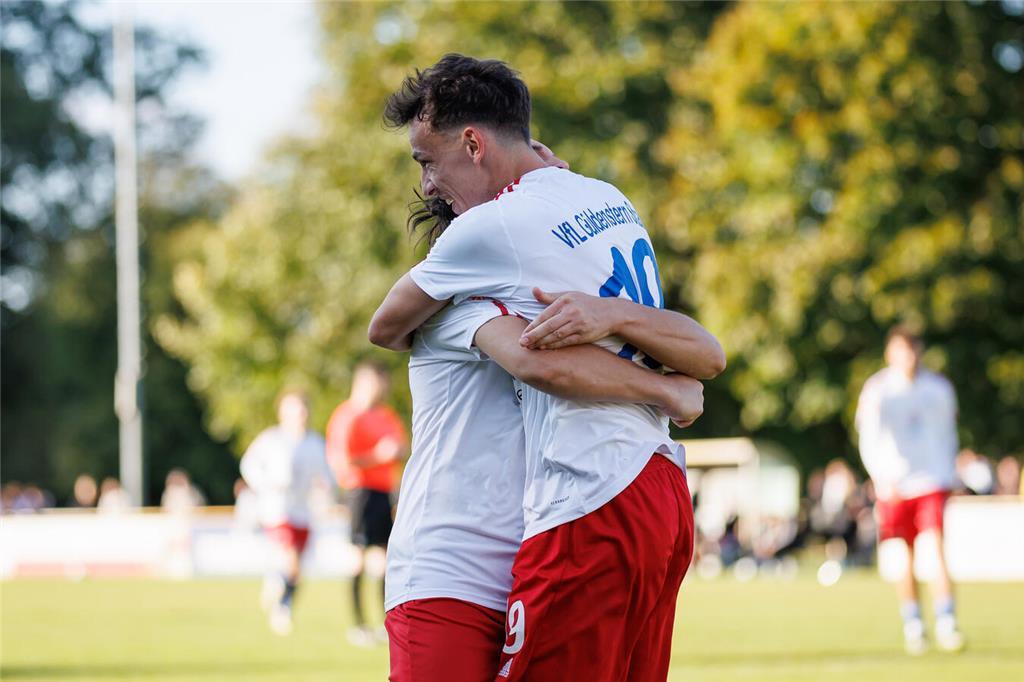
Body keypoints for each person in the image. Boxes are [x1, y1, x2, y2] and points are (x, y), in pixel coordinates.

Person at [370, 54, 725, 681]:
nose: (426, 183)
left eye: (428, 161)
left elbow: (388, 324)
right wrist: (668, 391)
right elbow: (537, 364)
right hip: (455, 561)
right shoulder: (599, 200)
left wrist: (614, 323)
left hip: (567, 514)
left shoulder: (500, 228)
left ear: (474, 144)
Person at [855, 326, 964, 654]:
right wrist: (880, 477)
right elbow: (868, 437)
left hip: (931, 481)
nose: (909, 357)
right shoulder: (878, 390)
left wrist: (949, 473)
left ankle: (947, 622)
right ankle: (914, 623)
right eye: (902, 350)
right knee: (905, 555)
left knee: (936, 547)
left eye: (914, 349)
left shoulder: (939, 389)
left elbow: (948, 434)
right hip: (895, 485)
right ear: (891, 354)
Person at [325, 361, 408, 646]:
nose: (383, 387)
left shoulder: (386, 415)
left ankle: (386, 624)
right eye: (379, 381)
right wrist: (378, 455)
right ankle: (358, 625)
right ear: (363, 382)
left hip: (384, 492)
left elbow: (401, 446)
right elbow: (341, 461)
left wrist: (395, 452)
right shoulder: (347, 417)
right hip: (359, 493)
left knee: (384, 561)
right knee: (358, 558)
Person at [240, 390, 332, 635]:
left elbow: (326, 474)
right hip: (277, 509)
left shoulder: (315, 443)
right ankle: (282, 606)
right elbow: (248, 465)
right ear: (282, 412)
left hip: (304, 511)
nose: (299, 415)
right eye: (293, 409)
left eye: (302, 409)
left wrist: (325, 487)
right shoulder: (271, 439)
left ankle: (280, 592)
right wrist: (266, 484)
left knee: (297, 568)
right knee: (289, 558)